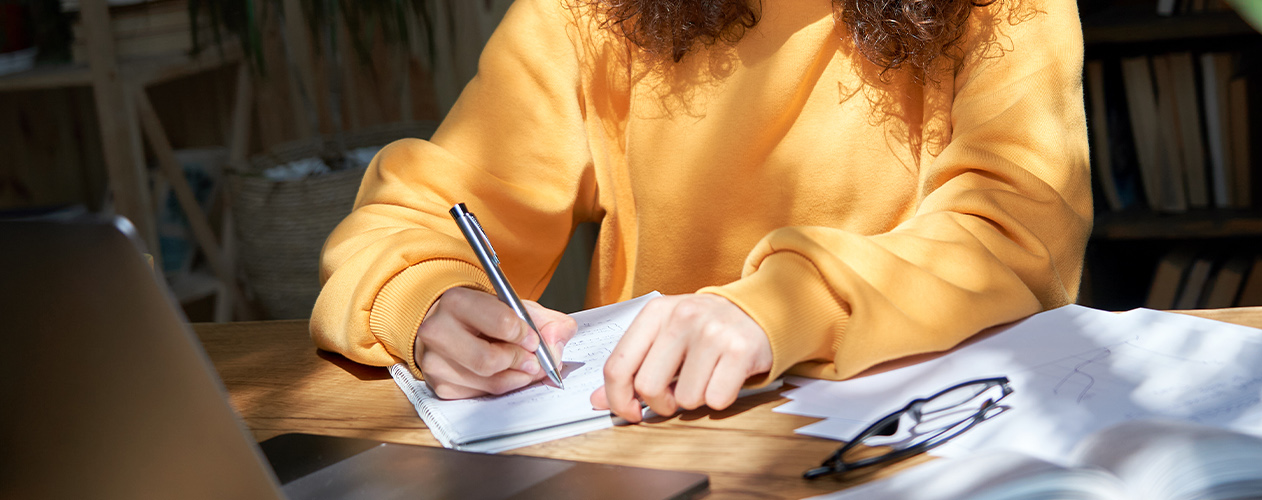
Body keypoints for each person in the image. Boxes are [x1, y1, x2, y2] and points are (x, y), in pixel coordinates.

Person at [311, 0, 1091, 423]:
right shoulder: (584, 13)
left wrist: (782, 308)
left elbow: (1016, 227)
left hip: (919, 445)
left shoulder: (1007, 7)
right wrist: (427, 300)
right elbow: (412, 219)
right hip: (651, 449)